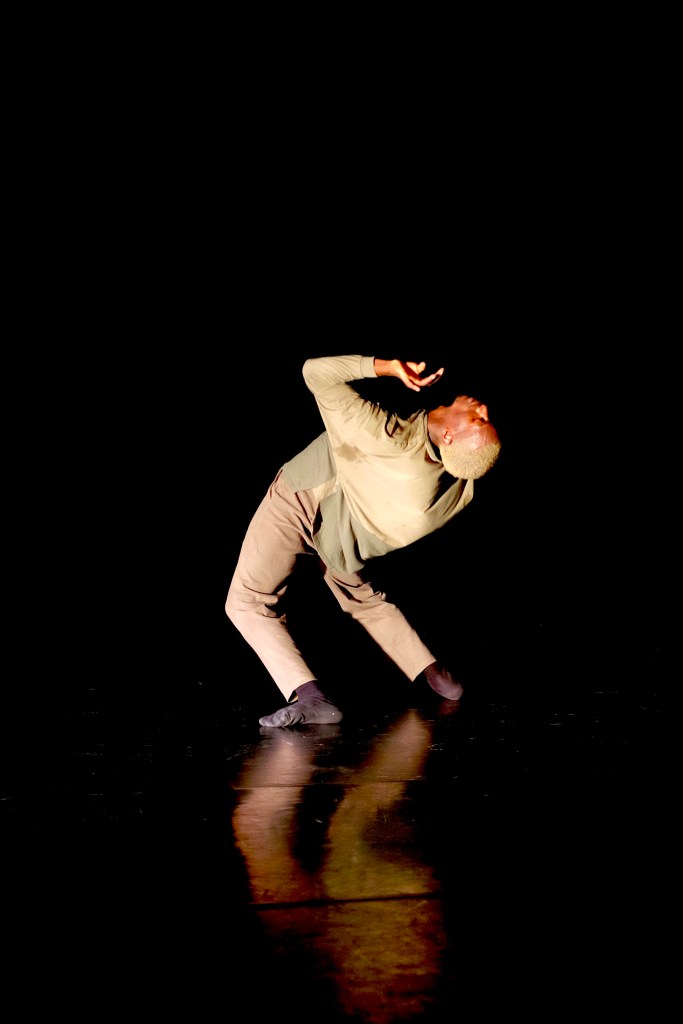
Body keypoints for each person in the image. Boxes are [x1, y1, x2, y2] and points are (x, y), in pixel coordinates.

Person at [225, 354, 502, 728]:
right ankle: (436, 674)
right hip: (344, 540)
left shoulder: (385, 437)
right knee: (364, 600)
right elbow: (464, 461)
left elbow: (315, 373)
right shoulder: (454, 489)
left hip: (302, 500)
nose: (483, 409)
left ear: (450, 437)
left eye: (478, 420)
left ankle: (311, 697)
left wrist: (387, 367)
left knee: (246, 601)